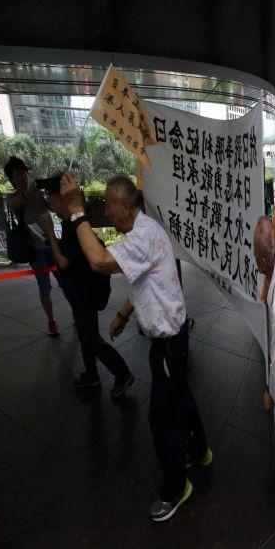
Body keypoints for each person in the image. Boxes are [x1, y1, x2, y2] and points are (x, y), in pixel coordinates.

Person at [58, 171, 212, 523]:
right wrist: (125, 314)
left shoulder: (142, 236)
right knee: (181, 395)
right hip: (173, 338)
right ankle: (200, 451)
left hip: (169, 341)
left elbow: (98, 262)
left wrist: (77, 212)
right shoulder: (144, 231)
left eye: (109, 205)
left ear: (125, 208)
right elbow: (144, 279)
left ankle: (176, 488)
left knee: (161, 417)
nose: (106, 211)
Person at [39, 175, 134, 398]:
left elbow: (64, 261)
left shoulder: (75, 226)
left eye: (50, 197)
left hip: (84, 294)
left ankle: (122, 373)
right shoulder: (70, 223)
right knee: (85, 334)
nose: (48, 202)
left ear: (61, 200)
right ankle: (91, 374)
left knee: (91, 337)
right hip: (79, 291)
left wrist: (50, 234)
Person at [4, 156, 59, 336]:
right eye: (18, 174)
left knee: (66, 280)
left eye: (24, 173)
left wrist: (50, 192)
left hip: (52, 245)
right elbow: (15, 204)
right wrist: (31, 192)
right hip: (35, 251)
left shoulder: (38, 194)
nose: (23, 177)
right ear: (11, 179)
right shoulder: (13, 198)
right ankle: (51, 321)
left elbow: (52, 208)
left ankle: (76, 313)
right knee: (44, 287)